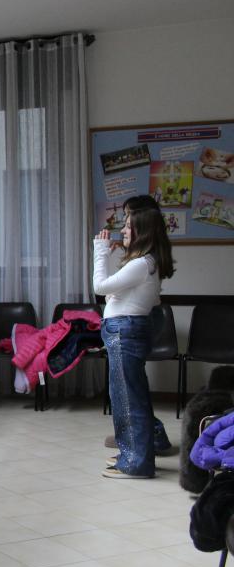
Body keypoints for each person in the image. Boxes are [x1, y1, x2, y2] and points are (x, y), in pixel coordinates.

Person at [94, 194, 175, 478]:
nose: (123, 230)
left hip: (124, 331)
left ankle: (136, 462)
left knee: (127, 399)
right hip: (125, 329)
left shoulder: (142, 263)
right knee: (129, 397)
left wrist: (100, 251)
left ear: (142, 230)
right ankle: (135, 452)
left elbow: (100, 287)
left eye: (128, 225)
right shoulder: (145, 261)